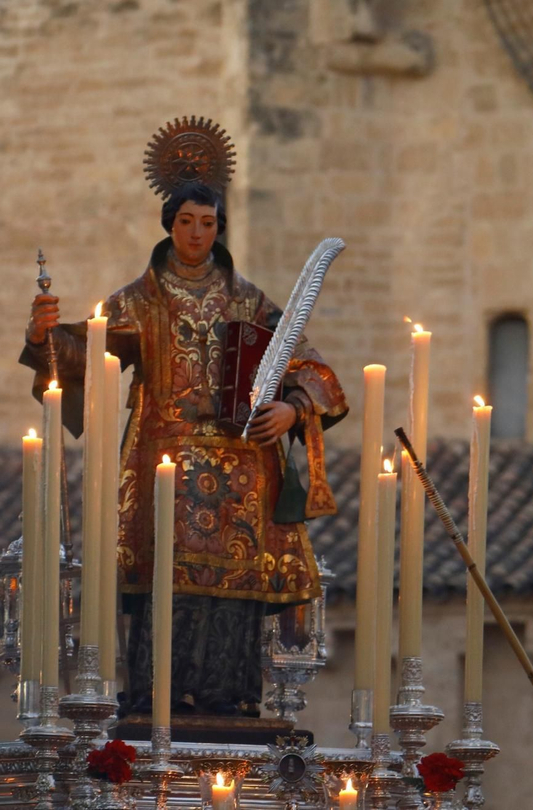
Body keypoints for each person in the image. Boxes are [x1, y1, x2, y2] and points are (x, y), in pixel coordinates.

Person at [21, 119, 347, 718]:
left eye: (208, 223)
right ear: (169, 225)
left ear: (220, 228)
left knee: (233, 599)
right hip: (161, 468)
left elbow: (316, 370)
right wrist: (45, 337)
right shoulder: (138, 302)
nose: (197, 234)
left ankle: (233, 698)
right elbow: (85, 356)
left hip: (242, 476)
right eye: (186, 222)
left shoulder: (249, 301)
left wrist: (291, 408)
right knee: (164, 587)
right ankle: (156, 697)